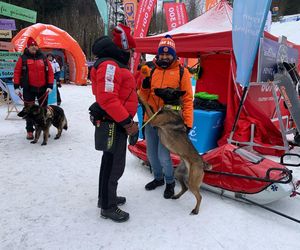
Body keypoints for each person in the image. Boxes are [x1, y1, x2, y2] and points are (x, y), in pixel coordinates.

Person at [90, 24, 138, 223]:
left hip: (116, 121)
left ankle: (106, 198)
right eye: (131, 50)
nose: (133, 54)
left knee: (110, 163)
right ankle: (109, 206)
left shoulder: (115, 64)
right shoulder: (111, 65)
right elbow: (108, 99)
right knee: (114, 165)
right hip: (115, 123)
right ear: (123, 48)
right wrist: (127, 123)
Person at [139, 34, 194, 199]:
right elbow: (143, 96)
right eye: (161, 54)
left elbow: (187, 99)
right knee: (151, 154)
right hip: (151, 119)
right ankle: (158, 178)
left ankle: (170, 182)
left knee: (164, 155)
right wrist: (145, 85)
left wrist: (188, 123)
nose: (164, 57)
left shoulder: (182, 72)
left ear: (173, 55)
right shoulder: (152, 69)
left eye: (168, 54)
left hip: (169, 123)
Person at [13, 37, 54, 140]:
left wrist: (50, 85)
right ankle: (30, 131)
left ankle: (45, 129)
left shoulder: (43, 57)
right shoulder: (23, 58)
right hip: (28, 89)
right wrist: (16, 86)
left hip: (43, 89)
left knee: (44, 110)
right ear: (28, 47)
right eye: (32, 46)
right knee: (29, 111)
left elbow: (50, 72)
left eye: (35, 45)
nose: (34, 47)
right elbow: (17, 72)